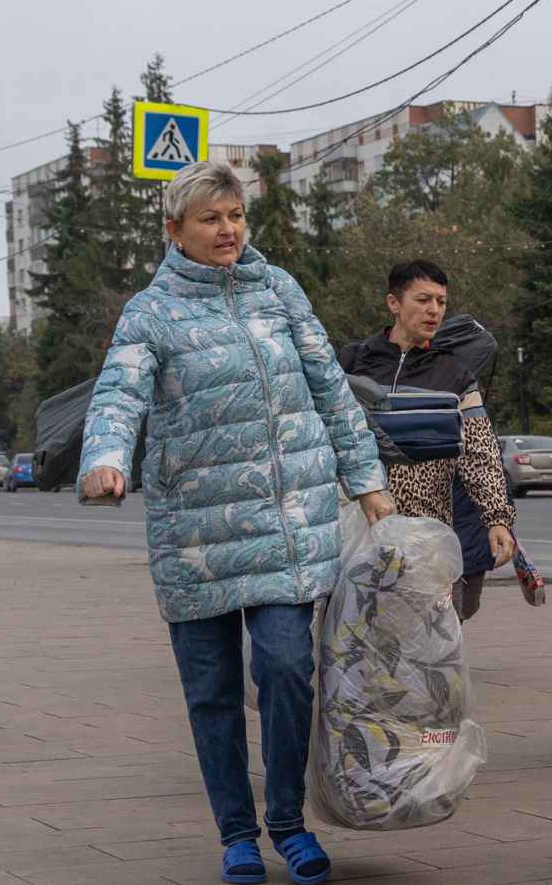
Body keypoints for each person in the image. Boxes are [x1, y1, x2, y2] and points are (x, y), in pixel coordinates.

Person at [77, 160, 395, 885]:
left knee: (286, 667)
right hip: (193, 534)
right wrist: (105, 457)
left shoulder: (278, 289)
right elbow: (119, 391)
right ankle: (237, 836)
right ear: (174, 231)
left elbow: (330, 389)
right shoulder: (149, 312)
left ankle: (288, 821)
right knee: (212, 692)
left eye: (235, 217)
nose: (227, 231)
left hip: (287, 520)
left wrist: (366, 480)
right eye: (210, 219)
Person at [338, 260, 516, 615]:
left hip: (427, 534)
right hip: (357, 531)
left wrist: (497, 518)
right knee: (355, 642)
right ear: (394, 304)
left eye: (441, 301)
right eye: (423, 300)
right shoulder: (351, 363)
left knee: (428, 646)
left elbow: (479, 452)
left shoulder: (455, 375)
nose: (434, 310)